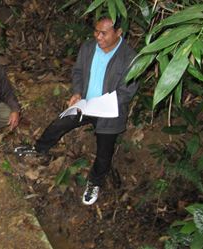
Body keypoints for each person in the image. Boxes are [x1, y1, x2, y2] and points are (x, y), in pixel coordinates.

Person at [15, 16, 138, 205]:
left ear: (119, 32)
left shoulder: (130, 58)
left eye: (103, 33)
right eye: (96, 31)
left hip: (110, 112)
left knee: (104, 153)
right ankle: (39, 148)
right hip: (85, 105)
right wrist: (77, 92)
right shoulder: (88, 48)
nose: (98, 36)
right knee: (59, 123)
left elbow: (127, 91)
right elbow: (78, 72)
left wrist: (104, 103)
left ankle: (94, 182)